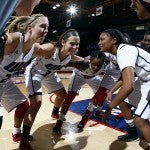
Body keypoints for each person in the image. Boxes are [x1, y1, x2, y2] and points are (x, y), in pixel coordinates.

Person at [20, 29, 82, 149]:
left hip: (49, 75)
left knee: (63, 96)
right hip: (35, 73)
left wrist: (86, 60)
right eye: (72, 44)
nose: (74, 47)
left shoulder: (69, 55)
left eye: (77, 44)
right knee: (36, 103)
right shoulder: (51, 48)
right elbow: (33, 48)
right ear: (63, 42)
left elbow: (75, 57)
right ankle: (24, 138)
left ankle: (55, 111)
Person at [99, 28, 150, 150]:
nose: (99, 43)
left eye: (102, 39)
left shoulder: (124, 51)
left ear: (114, 40)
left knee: (140, 120)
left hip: (148, 81)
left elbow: (128, 86)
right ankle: (133, 134)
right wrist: (111, 91)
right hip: (144, 80)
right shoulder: (121, 51)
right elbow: (124, 78)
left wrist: (109, 108)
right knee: (122, 103)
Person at [52, 50, 106, 133]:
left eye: (99, 65)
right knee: (69, 97)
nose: (96, 67)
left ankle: (92, 114)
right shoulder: (83, 64)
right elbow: (67, 63)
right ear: (90, 61)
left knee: (102, 94)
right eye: (94, 64)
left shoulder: (105, 63)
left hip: (92, 78)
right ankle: (59, 123)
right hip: (78, 77)